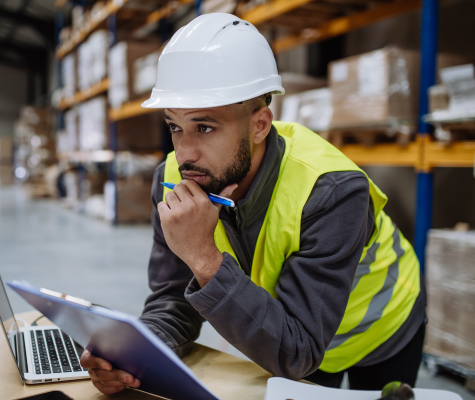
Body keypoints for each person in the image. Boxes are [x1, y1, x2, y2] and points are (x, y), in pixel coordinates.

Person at [80, 12, 426, 395]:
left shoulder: (330, 191)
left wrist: (204, 259)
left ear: (260, 124)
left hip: (378, 329)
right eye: (175, 127)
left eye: (205, 127)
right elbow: (172, 301)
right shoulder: (171, 180)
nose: (184, 153)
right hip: (289, 333)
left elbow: (299, 351)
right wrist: (136, 356)